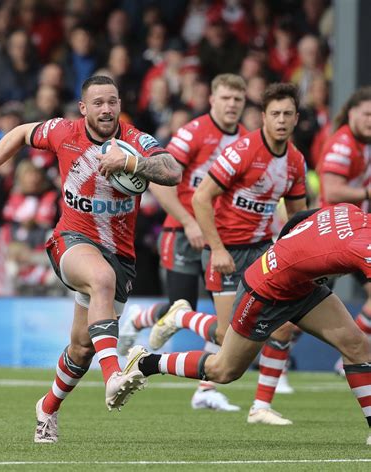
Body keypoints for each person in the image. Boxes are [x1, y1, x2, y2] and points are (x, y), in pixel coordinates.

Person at [0, 75, 182, 443]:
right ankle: (114, 374)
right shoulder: (63, 132)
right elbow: (20, 132)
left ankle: (47, 408)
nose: (106, 109)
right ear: (83, 108)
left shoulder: (134, 141)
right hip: (72, 240)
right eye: (97, 102)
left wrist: (131, 165)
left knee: (81, 349)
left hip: (120, 254)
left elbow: (172, 171)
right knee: (100, 279)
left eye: (112, 101)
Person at [125, 203, 371, 445]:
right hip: (266, 289)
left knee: (356, 345)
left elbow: (300, 219)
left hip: (300, 284)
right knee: (224, 370)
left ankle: (262, 406)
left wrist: (291, 256)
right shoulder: (365, 246)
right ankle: (146, 362)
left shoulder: (349, 211)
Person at [149, 83, 308, 425]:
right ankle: (179, 317)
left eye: (287, 114)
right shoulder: (242, 150)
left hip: (263, 250)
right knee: (226, 337)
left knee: (283, 327)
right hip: (226, 250)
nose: (281, 120)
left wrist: (301, 259)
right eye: (275, 114)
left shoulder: (295, 161)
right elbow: (200, 197)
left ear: (296, 119)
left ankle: (261, 406)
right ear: (263, 117)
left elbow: (298, 217)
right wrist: (216, 247)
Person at [119, 73, 248, 412]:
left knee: (224, 317)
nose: (232, 105)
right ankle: (138, 317)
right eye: (226, 98)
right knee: (183, 308)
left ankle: (205, 388)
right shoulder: (193, 133)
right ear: (212, 100)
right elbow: (159, 181)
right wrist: (189, 221)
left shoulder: (247, 141)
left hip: (221, 238)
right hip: (181, 231)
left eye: (238, 99)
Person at [318, 86, 371, 371]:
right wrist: (367, 193)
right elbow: (332, 190)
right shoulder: (342, 144)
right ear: (352, 113)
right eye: (367, 114)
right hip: (331, 237)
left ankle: (347, 359)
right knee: (303, 308)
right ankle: (276, 368)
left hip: (357, 235)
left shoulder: (365, 144)